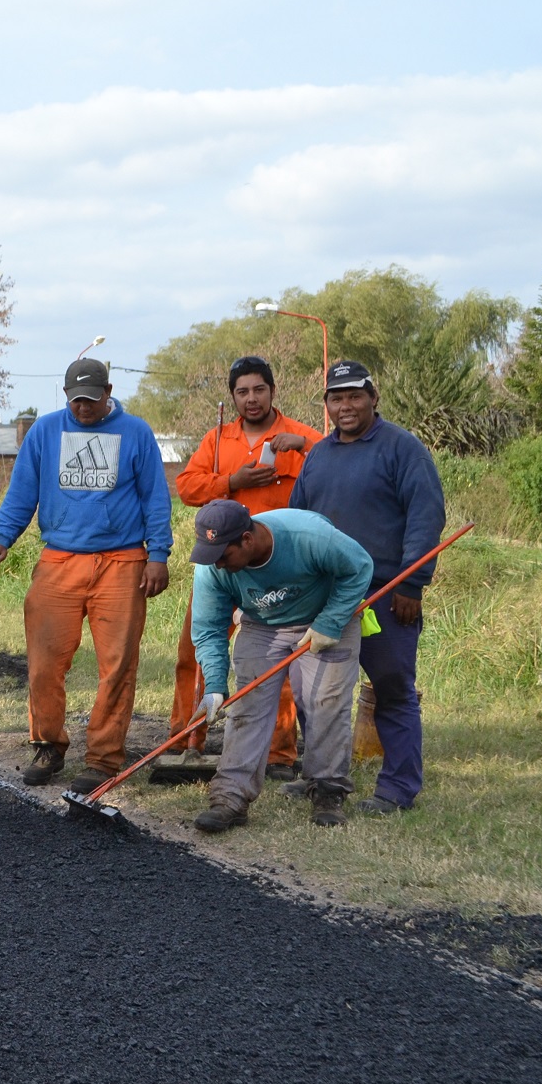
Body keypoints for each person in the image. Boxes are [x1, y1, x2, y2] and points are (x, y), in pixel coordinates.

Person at [0, 357, 173, 793]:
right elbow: (21, 494)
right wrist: (1, 539)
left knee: (118, 664)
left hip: (123, 561)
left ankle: (104, 758)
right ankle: (48, 744)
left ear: (108, 392)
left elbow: (155, 498)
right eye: (74, 400)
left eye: (90, 399)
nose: (82, 407)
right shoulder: (45, 432)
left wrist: (158, 554)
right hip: (60, 559)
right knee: (45, 661)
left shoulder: (136, 432)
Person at [290, 359, 446, 815]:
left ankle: (397, 789)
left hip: (383, 592)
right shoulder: (319, 454)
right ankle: (321, 775)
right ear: (327, 405)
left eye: (355, 396)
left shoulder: (403, 449)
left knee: (392, 687)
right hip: (325, 594)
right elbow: (300, 520)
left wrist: (412, 583)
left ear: (373, 397)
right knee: (314, 691)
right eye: (336, 398)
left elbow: (425, 515)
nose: (346, 406)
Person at [169, 356, 323, 784]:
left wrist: (305, 448)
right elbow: (186, 487)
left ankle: (277, 752)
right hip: (221, 565)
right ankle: (186, 738)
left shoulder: (300, 437)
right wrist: (231, 482)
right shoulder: (217, 439)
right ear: (232, 396)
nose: (251, 398)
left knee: (281, 661)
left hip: (278, 570)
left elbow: (335, 463)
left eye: (258, 389)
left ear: (273, 391)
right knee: (195, 652)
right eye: (242, 391)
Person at [184, 501, 372, 833]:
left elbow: (359, 566)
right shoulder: (212, 566)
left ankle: (328, 791)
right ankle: (230, 798)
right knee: (247, 708)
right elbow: (209, 628)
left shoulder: (309, 536)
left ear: (246, 539)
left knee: (327, 704)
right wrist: (214, 686)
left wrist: (331, 622)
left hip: (325, 617)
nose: (218, 565)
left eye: (224, 556)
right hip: (260, 625)